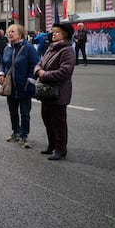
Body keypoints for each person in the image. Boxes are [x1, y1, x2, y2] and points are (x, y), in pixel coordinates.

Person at [34, 23, 76, 160]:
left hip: (59, 92)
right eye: (53, 32)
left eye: (57, 32)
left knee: (58, 122)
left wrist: (44, 74)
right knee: (47, 120)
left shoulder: (67, 50)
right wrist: (38, 71)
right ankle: (51, 145)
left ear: (65, 35)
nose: (54, 34)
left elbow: (65, 72)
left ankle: (61, 149)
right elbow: (39, 63)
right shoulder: (51, 48)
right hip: (47, 92)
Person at [0, 24, 39, 148]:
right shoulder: (7, 48)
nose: (9, 34)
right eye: (8, 32)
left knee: (25, 113)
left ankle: (24, 135)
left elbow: (35, 64)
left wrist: (30, 80)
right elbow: (2, 64)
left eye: (12, 32)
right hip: (10, 87)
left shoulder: (28, 48)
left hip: (24, 86)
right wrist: (1, 74)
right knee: (13, 112)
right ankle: (15, 132)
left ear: (20, 34)